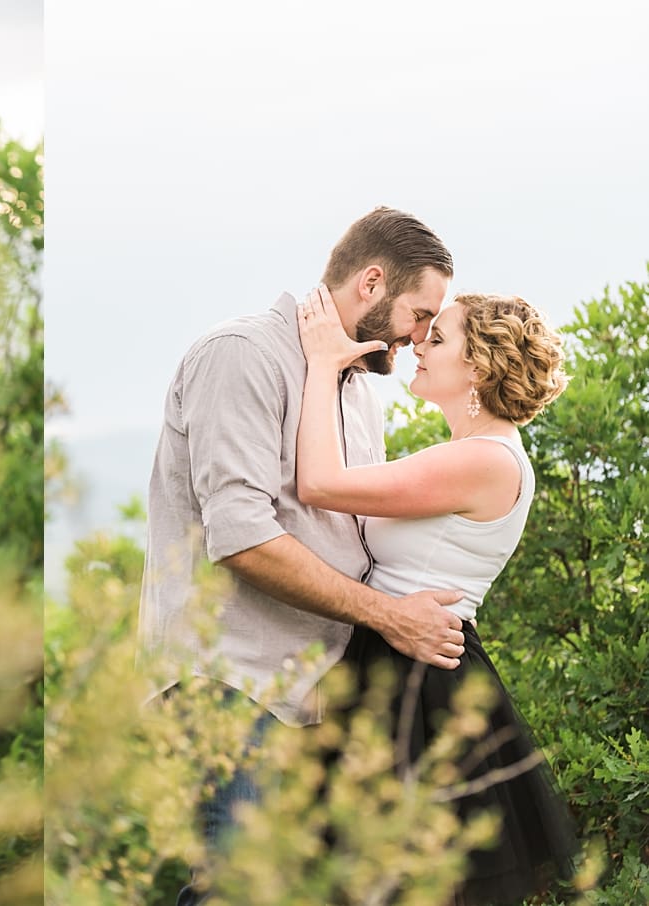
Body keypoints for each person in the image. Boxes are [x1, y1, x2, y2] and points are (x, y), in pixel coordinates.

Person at [136, 206, 467, 903]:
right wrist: (389, 616)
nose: (420, 337)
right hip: (229, 683)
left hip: (311, 696)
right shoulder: (243, 355)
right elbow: (243, 540)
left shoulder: (355, 392)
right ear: (372, 282)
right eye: (418, 314)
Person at [296, 286, 577, 904]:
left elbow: (319, 482)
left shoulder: (485, 461)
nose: (419, 343)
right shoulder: (470, 454)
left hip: (416, 679)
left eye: (439, 337)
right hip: (394, 656)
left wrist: (321, 361)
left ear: (478, 366)